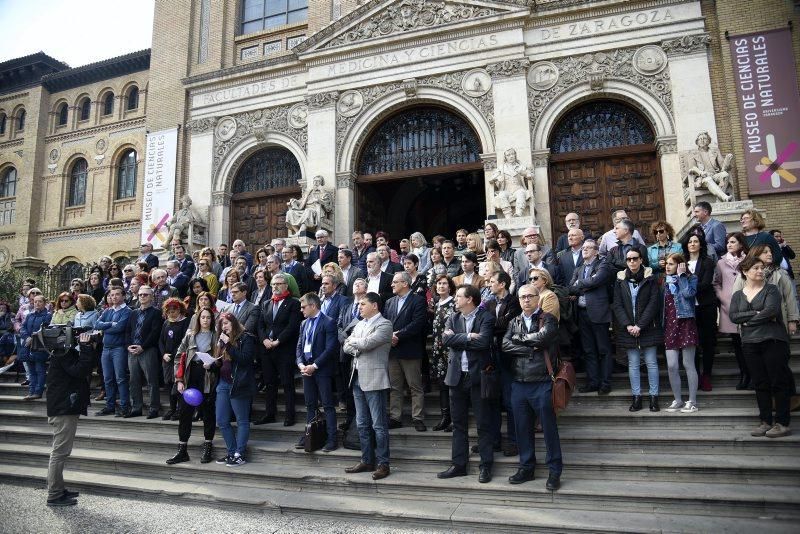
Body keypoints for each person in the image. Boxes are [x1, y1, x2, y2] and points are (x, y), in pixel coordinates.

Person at [501, 284, 562, 491]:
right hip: (518, 383)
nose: (526, 300)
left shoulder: (548, 319)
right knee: (522, 429)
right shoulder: (514, 321)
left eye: (530, 296)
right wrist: (529, 348)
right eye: (522, 297)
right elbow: (505, 345)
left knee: (549, 429)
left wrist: (520, 340)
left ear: (538, 298)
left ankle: (554, 471)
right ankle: (526, 467)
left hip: (542, 381)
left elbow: (544, 338)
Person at [730, 256, 793, 438]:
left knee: (778, 381)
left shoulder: (771, 290)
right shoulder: (737, 295)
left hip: (773, 340)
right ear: (745, 271)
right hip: (750, 343)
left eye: (762, 268)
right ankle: (765, 421)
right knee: (760, 383)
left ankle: (782, 423)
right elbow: (734, 316)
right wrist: (757, 314)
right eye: (756, 268)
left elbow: (771, 311)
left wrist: (748, 320)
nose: (760, 271)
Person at [439, 284, 496, 483]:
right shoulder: (453, 318)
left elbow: (484, 342)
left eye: (459, 296)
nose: (455, 299)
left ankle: (486, 466)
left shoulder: (486, 317)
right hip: (456, 377)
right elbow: (445, 342)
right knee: (458, 424)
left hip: (478, 378)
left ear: (470, 299)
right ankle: (459, 465)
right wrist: (469, 336)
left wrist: (457, 338)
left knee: (483, 424)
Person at [342, 292, 393, 480]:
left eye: (363, 304)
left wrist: (354, 342)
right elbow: (346, 347)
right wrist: (356, 343)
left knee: (378, 425)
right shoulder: (361, 324)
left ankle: (383, 463)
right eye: (359, 304)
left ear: (375, 305)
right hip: (356, 377)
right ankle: (366, 459)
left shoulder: (385, 324)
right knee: (362, 423)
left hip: (375, 379)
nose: (359, 306)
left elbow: (368, 344)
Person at [44, 331, 94, 507]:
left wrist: (85, 349)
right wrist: (87, 348)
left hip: (63, 407)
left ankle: (58, 488)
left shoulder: (63, 352)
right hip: (63, 409)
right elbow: (80, 371)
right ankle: (54, 494)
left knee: (60, 451)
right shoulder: (62, 353)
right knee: (59, 452)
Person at [166, 307, 220, 464]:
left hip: (208, 377)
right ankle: (182, 450)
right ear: (198, 319)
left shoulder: (216, 337)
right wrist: (179, 380)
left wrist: (213, 364)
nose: (205, 320)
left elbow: (222, 360)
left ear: (212, 319)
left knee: (208, 413)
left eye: (208, 317)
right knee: (184, 413)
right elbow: (178, 357)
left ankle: (208, 447)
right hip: (190, 376)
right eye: (202, 317)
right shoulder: (190, 335)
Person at [612, 249, 662, 412]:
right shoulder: (620, 279)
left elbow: (654, 304)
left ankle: (654, 397)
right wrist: (628, 325)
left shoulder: (650, 278)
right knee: (633, 364)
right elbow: (617, 305)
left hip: (648, 327)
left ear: (641, 260)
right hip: (628, 328)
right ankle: (637, 397)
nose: (632, 262)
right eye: (629, 259)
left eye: (635, 258)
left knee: (651, 363)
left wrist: (640, 325)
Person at [295, 292, 339, 451]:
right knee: (310, 404)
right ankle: (309, 434)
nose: (301, 310)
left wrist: (315, 365)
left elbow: (330, 348)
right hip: (306, 369)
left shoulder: (328, 322)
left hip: (322, 370)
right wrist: (300, 364)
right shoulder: (303, 323)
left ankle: (332, 438)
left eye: (303, 307)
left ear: (313, 306)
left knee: (327, 405)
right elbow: (299, 346)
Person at [385, 271, 428, 431]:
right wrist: (390, 336)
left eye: (395, 282)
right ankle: (395, 417)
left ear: (405, 283)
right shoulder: (389, 302)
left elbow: (418, 323)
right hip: (393, 351)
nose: (392, 284)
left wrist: (399, 335)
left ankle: (417, 418)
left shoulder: (418, 300)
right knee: (395, 387)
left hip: (410, 349)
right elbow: (384, 322)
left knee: (415, 386)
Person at [570, 239, 613, 394]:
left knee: (603, 350)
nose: (585, 250)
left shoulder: (603, 265)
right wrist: (587, 284)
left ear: (596, 251)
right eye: (583, 248)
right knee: (588, 351)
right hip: (582, 314)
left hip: (599, 313)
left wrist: (581, 284)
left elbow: (597, 280)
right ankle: (593, 382)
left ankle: (605, 383)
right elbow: (571, 288)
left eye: (588, 248)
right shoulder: (579, 268)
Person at [486, 270, 522, 456]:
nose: (489, 284)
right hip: (491, 356)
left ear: (502, 284)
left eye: (492, 281)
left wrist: (493, 324)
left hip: (508, 357)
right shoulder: (490, 303)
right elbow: (488, 324)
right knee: (492, 399)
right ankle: (494, 441)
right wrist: (494, 324)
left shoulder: (515, 302)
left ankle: (514, 441)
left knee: (509, 400)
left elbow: (505, 325)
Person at [213, 312, 256, 465]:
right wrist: (211, 364)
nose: (223, 327)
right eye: (221, 325)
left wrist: (229, 345)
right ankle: (231, 452)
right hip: (223, 383)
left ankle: (240, 453)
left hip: (239, 383)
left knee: (242, 420)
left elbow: (245, 359)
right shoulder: (221, 341)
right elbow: (221, 364)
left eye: (225, 323)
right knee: (222, 420)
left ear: (234, 323)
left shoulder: (246, 338)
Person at [661, 253, 700, 413]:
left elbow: (688, 294)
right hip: (670, 324)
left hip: (685, 323)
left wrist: (682, 276)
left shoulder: (691, 278)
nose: (668, 266)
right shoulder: (664, 281)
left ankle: (692, 401)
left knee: (688, 363)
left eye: (671, 264)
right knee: (671, 365)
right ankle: (677, 400)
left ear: (680, 265)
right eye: (667, 264)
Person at [681, 229, 719, 392]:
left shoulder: (708, 261)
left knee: (708, 342)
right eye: (690, 242)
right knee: (692, 344)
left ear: (701, 244)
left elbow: (704, 284)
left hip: (706, 306)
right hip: (688, 309)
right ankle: (694, 375)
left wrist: (686, 285)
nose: (692, 244)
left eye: (696, 241)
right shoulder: (681, 263)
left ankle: (707, 376)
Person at [733, 245, 799, 336]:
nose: (770, 254)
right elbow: (736, 301)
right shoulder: (743, 275)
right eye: (765, 252)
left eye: (770, 251)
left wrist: (792, 320)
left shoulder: (780, 273)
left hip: (777, 324)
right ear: (755, 255)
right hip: (751, 328)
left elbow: (790, 298)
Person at [713, 232, 750, 389]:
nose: (729, 244)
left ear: (741, 244)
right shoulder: (721, 262)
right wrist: (723, 298)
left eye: (733, 242)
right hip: (729, 308)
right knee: (737, 346)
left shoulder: (749, 260)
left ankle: (753, 375)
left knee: (748, 345)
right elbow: (716, 283)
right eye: (728, 242)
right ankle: (744, 375)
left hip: (748, 307)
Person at [125, 286, 164, 418]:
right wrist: (128, 346)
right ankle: (136, 407)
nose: (142, 297)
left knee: (151, 380)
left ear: (151, 297)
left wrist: (143, 346)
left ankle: (154, 408)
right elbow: (128, 331)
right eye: (140, 295)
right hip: (132, 350)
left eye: (145, 295)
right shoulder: (133, 313)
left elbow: (155, 333)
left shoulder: (156, 312)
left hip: (148, 350)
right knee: (133, 380)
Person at [94, 287, 132, 416]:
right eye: (112, 295)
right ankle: (109, 406)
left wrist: (106, 327)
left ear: (123, 296)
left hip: (119, 348)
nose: (114, 297)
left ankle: (124, 406)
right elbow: (97, 324)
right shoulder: (107, 310)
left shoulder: (127, 311)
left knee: (120, 378)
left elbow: (120, 328)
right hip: (106, 348)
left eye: (117, 295)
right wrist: (111, 324)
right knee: (108, 379)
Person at [429, 274, 456, 432]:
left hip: (450, 349)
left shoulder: (454, 303)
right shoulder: (437, 303)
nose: (441, 286)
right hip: (438, 349)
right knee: (442, 384)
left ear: (450, 286)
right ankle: (445, 417)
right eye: (439, 283)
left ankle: (454, 417)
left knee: (452, 385)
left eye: (444, 283)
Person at [159, 298, 191, 421]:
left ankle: (180, 410)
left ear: (180, 310)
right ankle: (172, 409)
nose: (171, 313)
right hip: (166, 359)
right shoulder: (166, 323)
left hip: (178, 359)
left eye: (174, 310)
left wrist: (174, 355)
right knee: (169, 384)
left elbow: (184, 342)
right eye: (169, 311)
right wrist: (163, 354)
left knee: (177, 385)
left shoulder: (185, 322)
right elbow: (160, 341)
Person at [19, 294, 52, 400]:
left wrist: (33, 338)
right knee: (31, 370)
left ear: (44, 303)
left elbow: (45, 330)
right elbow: (23, 327)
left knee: (39, 370)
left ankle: (38, 392)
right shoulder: (30, 315)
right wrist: (26, 337)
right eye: (35, 301)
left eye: (40, 301)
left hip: (39, 346)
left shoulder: (48, 315)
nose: (37, 303)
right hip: (28, 346)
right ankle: (31, 391)